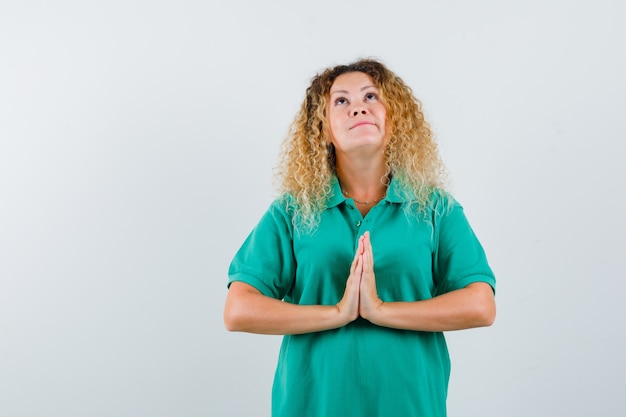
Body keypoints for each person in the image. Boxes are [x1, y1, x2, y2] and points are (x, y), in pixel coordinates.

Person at [224, 58, 496, 417]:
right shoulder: (292, 211)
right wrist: (338, 312)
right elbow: (238, 310)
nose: (358, 107)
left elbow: (480, 305)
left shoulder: (435, 209)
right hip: (311, 406)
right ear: (322, 129)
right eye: (341, 101)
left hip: (410, 405)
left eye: (371, 96)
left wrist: (380, 310)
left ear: (393, 118)